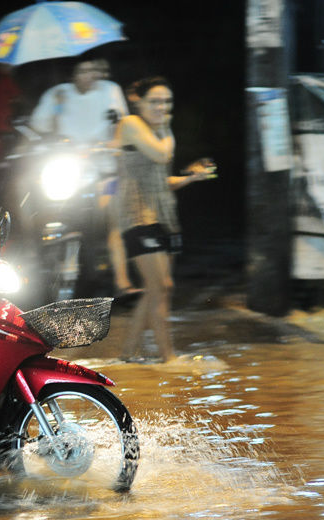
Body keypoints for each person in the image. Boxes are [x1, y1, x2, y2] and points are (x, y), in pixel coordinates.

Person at [114, 77, 215, 363]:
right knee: (160, 288)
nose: (163, 106)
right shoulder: (131, 124)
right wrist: (167, 127)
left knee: (160, 288)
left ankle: (127, 356)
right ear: (139, 101)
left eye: (167, 102)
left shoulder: (157, 130)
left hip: (162, 216)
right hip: (137, 216)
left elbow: (161, 180)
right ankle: (168, 358)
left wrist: (191, 178)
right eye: (155, 101)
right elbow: (162, 155)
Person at [29, 57, 135, 296]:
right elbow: (39, 125)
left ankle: (121, 279)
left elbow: (121, 123)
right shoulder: (57, 94)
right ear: (72, 74)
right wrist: (55, 108)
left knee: (111, 216)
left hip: (104, 170)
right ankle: (38, 261)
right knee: (35, 199)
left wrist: (113, 142)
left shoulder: (110, 91)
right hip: (68, 168)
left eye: (93, 70)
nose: (90, 75)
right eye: (83, 71)